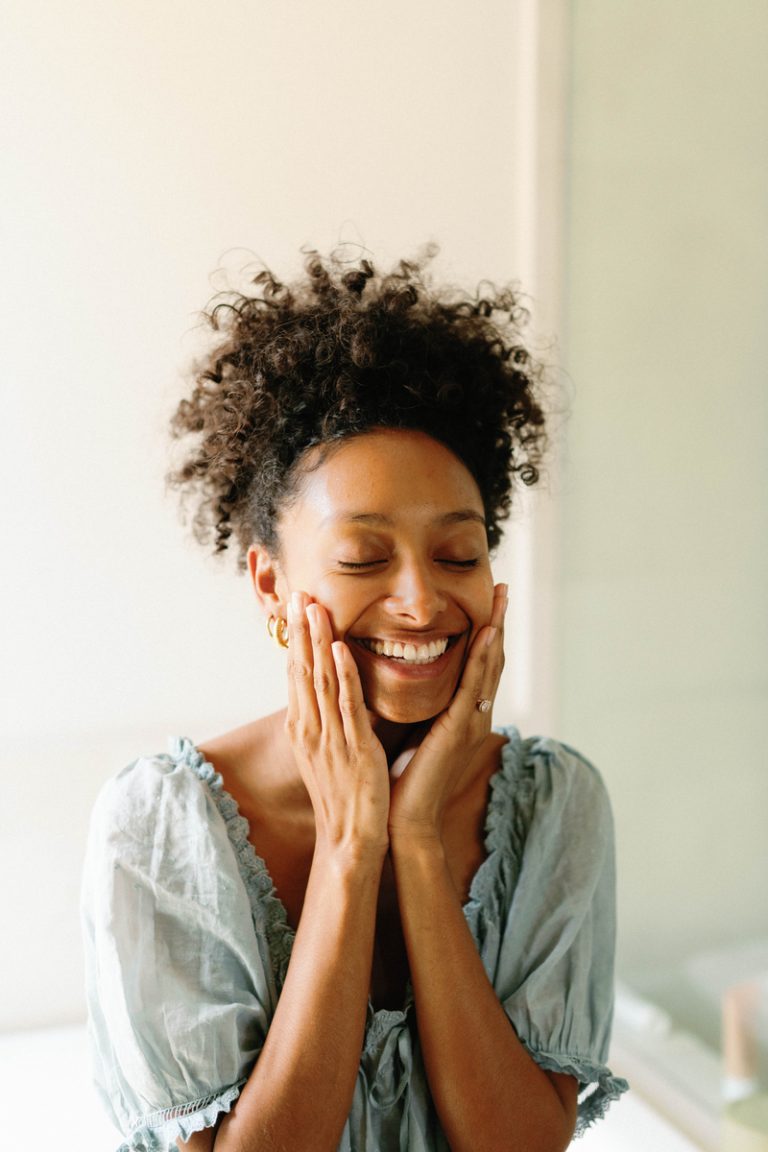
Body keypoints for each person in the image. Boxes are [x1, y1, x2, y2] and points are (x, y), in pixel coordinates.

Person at [82, 249, 628, 1152]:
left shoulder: (555, 805)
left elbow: (522, 1143)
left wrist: (412, 844)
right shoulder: (158, 827)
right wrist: (349, 844)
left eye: (459, 555)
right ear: (269, 586)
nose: (420, 602)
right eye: (362, 560)